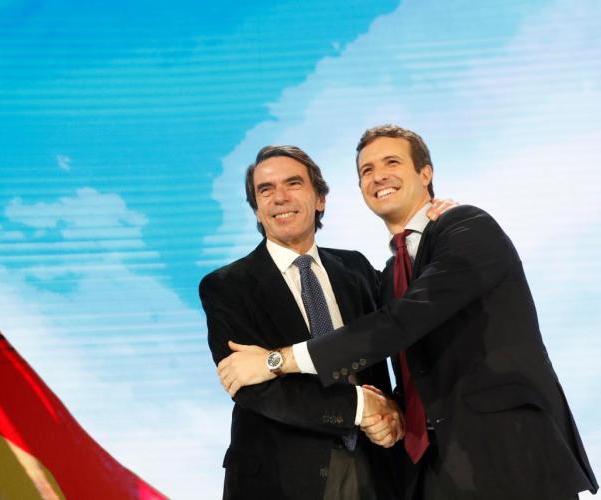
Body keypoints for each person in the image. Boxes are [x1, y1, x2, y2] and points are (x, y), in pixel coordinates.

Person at [217, 125, 599, 500]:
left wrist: (275, 360)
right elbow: (411, 364)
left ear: (425, 173)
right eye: (367, 170)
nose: (378, 176)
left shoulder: (466, 229)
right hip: (430, 472)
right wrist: (383, 411)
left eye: (392, 162)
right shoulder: (386, 274)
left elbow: (398, 324)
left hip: (511, 459)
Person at [200, 145, 453, 499]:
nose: (279, 197)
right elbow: (255, 390)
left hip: (375, 467)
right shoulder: (226, 286)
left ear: (320, 199)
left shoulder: (356, 269)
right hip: (280, 478)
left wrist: (435, 227)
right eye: (265, 190)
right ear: (256, 208)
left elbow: (405, 317)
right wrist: (359, 407)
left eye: (293, 183)